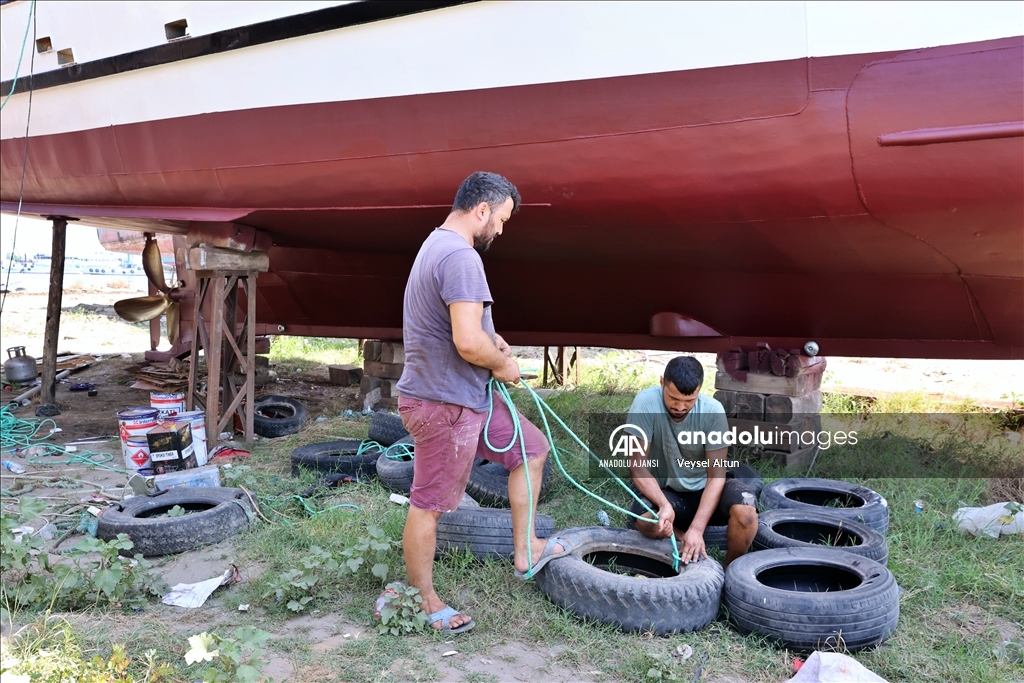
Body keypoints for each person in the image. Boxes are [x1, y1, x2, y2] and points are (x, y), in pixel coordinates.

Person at [395, 171, 571, 634]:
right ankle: (423, 600)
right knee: (429, 504)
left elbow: (465, 327)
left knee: (531, 451)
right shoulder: (462, 256)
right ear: (482, 210)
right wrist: (501, 364)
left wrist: (494, 341)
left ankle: (525, 547)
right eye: (502, 219)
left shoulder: (436, 244)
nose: (501, 230)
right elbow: (469, 344)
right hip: (443, 404)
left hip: (467, 398)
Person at [625, 356, 758, 569]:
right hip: (667, 491)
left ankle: (727, 570)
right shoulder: (646, 403)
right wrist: (664, 505)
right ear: (662, 383)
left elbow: (717, 476)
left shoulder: (712, 411)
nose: (680, 406)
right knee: (646, 520)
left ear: (699, 391)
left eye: (689, 401)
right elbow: (637, 465)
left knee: (747, 512)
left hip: (706, 491)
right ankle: (681, 537)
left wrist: (697, 528)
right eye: (673, 398)